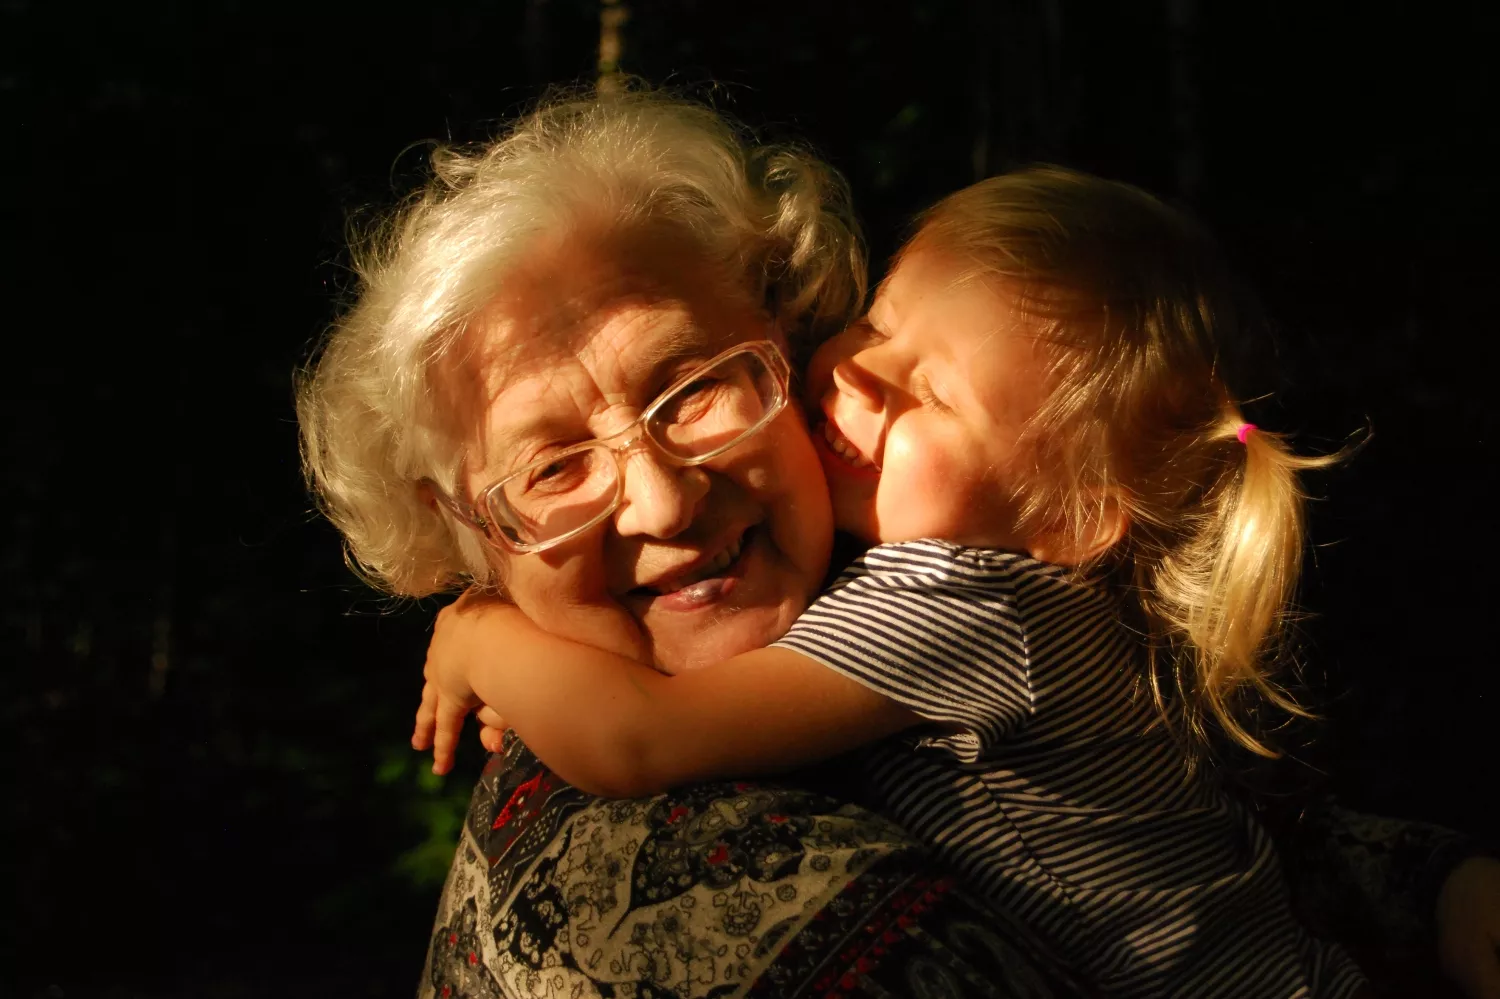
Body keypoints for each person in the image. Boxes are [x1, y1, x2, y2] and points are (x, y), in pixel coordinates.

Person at [297, 86, 1499, 998]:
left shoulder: (943, 592)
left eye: (697, 387)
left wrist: (480, 635)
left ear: (779, 332)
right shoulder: (664, 898)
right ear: (464, 534)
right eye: (552, 466)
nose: (663, 504)